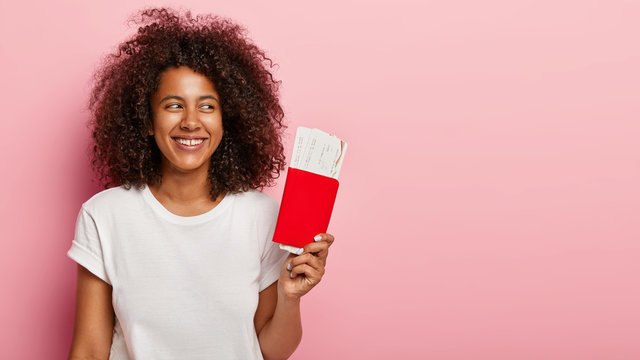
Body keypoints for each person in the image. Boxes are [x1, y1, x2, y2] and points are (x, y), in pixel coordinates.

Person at [67, 8, 334, 360]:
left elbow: (272, 351)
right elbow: (88, 351)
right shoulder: (104, 216)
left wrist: (289, 297)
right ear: (147, 121)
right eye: (173, 105)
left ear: (228, 121)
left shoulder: (261, 216)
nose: (191, 122)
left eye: (207, 106)